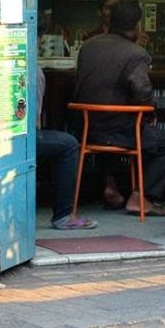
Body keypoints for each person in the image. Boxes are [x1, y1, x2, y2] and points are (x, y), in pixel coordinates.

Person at [74, 0, 165, 216]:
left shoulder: (88, 46)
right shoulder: (135, 53)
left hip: (85, 127)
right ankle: (141, 196)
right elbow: (142, 91)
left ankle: (111, 187)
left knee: (121, 123)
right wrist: (150, 113)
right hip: (118, 131)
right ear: (137, 25)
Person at [37, 67, 97, 230]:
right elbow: (35, 122)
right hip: (17, 140)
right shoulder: (31, 71)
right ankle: (63, 216)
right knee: (68, 145)